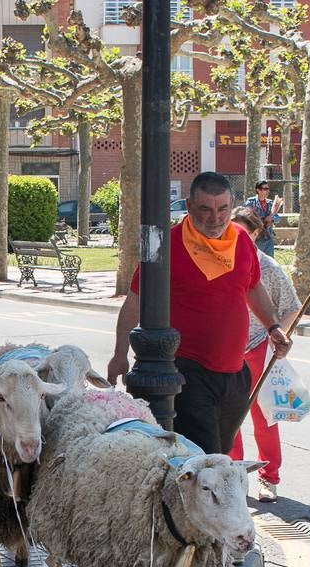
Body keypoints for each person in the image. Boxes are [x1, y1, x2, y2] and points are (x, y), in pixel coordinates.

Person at [107, 172, 292, 454]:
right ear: (190, 207)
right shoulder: (164, 243)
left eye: (223, 209)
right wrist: (120, 354)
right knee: (206, 457)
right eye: (205, 209)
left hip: (234, 373)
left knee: (221, 453)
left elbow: (253, 287)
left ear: (233, 206)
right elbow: (134, 300)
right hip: (188, 372)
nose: (214, 218)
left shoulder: (241, 239)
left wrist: (273, 327)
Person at [227, 208, 302, 502]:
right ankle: (234, 475)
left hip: (258, 347)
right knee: (229, 417)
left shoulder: (268, 268)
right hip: (227, 348)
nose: (236, 236)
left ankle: (268, 479)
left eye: (243, 232)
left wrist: (275, 335)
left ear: (256, 234)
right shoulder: (222, 262)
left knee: (264, 419)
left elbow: (292, 307)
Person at [243, 180, 278, 257]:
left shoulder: (270, 203)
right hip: (256, 237)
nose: (267, 191)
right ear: (258, 190)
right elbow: (246, 217)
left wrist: (271, 218)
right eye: (265, 189)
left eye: (268, 189)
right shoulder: (251, 202)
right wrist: (262, 220)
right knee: (256, 260)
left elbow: (277, 218)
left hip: (268, 237)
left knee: (269, 261)